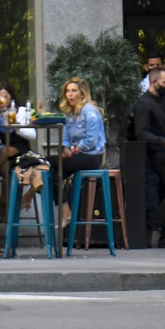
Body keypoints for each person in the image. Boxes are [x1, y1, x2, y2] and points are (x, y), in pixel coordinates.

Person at [133, 66, 165, 249]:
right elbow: (141, 133)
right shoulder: (143, 104)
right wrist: (164, 142)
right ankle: (152, 224)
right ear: (153, 82)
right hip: (157, 154)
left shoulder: (163, 101)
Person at [58, 77, 106, 228]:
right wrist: (65, 148)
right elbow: (65, 137)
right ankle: (65, 209)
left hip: (91, 156)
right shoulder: (70, 114)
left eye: (74, 91)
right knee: (48, 171)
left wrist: (74, 150)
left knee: (47, 163)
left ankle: (65, 211)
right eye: (67, 91)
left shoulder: (89, 111)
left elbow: (91, 141)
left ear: (82, 94)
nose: (70, 95)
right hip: (76, 155)